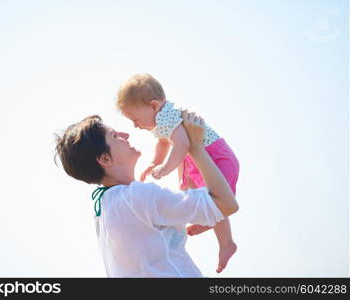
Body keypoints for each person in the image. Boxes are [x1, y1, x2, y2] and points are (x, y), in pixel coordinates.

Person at [54, 111, 239, 277]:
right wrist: (195, 147)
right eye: (115, 135)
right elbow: (226, 204)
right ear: (105, 159)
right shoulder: (136, 197)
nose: (125, 135)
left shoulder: (104, 210)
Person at [116, 73, 240, 273]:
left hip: (216, 156)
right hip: (201, 158)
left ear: (154, 106)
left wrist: (164, 169)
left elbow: (181, 143)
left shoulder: (166, 116)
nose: (135, 126)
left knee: (215, 198)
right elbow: (164, 141)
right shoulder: (162, 119)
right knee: (191, 189)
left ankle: (226, 243)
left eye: (136, 119)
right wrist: (155, 162)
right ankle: (208, 221)